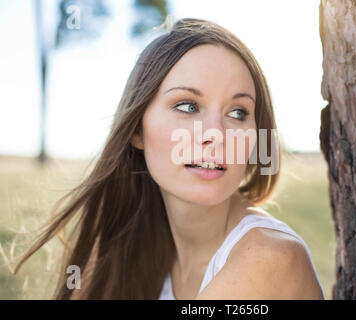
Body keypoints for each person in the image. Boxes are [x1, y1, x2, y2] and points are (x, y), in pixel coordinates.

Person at [14, 18, 324, 300]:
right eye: (188, 106)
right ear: (137, 129)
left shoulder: (269, 257)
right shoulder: (136, 251)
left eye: (238, 112)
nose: (216, 134)